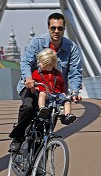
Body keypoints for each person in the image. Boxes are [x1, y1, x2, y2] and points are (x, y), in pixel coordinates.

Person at [9, 12, 82, 153]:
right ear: (48, 28)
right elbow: (26, 63)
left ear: (64, 30)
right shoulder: (37, 43)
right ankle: (17, 138)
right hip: (33, 86)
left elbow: (75, 73)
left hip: (54, 90)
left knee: (47, 128)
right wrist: (29, 79)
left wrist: (74, 92)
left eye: (60, 28)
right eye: (53, 28)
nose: (56, 31)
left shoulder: (71, 48)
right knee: (28, 107)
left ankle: (39, 168)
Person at [32, 48, 76, 124]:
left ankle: (67, 115)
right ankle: (42, 108)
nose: (39, 64)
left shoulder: (57, 74)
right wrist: (35, 88)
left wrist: (63, 93)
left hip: (57, 94)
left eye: (41, 63)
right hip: (46, 93)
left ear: (50, 64)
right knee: (42, 94)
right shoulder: (36, 73)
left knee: (67, 100)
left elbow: (61, 84)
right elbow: (33, 82)